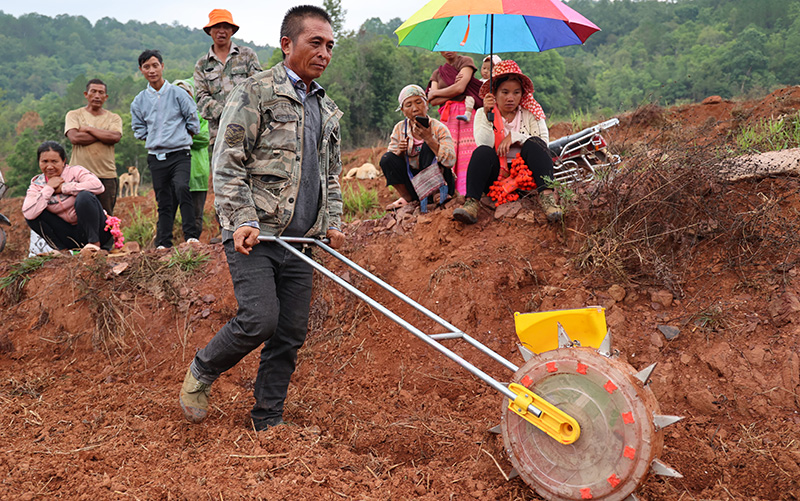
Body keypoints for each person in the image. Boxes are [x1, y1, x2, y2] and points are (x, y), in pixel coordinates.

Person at [179, 5, 345, 431]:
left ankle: (267, 419)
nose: (325, 53)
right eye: (316, 43)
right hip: (254, 233)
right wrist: (242, 219)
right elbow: (228, 161)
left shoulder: (327, 110)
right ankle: (202, 369)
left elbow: (330, 175)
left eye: (329, 45)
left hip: (302, 240)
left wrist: (334, 223)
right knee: (260, 319)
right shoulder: (255, 92)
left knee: (289, 333)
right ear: (287, 44)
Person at [453, 60, 562, 224]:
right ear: (494, 93)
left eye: (516, 93)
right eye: (505, 92)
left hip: (526, 173)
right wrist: (490, 116)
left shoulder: (530, 113)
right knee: (482, 152)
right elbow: (484, 142)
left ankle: (547, 200)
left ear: (522, 94)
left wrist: (515, 137)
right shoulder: (483, 114)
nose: (511, 98)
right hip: (497, 175)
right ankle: (472, 203)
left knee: (535, 144)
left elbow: (543, 144)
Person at [131, 49, 201, 249]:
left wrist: (184, 136)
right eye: (146, 67)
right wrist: (154, 138)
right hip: (156, 156)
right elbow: (138, 127)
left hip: (180, 154)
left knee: (182, 188)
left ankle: (191, 237)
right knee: (163, 199)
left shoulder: (177, 93)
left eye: (155, 65)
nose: (151, 70)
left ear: (162, 66)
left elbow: (192, 118)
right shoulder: (139, 100)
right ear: (141, 70)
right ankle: (163, 242)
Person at [22, 141, 112, 251]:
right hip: (68, 236)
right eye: (44, 161)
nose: (49, 166)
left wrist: (64, 188)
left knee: (84, 196)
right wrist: (49, 188)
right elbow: (28, 213)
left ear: (63, 161)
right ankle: (61, 250)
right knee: (33, 212)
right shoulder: (37, 184)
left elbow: (98, 186)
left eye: (54, 161)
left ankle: (94, 244)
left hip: (96, 231)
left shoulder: (75, 171)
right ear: (39, 162)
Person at [379, 84, 455, 210]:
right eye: (408, 105)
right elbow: (391, 159)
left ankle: (436, 193)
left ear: (426, 105)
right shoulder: (399, 129)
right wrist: (400, 152)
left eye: (419, 102)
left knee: (427, 146)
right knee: (387, 158)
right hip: (415, 185)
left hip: (442, 184)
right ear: (403, 111)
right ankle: (408, 198)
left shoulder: (439, 128)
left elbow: (450, 161)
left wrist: (430, 139)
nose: (415, 108)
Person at [194, 9, 262, 148]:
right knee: (223, 170)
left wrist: (242, 111)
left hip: (249, 129)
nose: (221, 31)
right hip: (219, 133)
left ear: (232, 31)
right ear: (210, 31)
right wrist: (225, 113)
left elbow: (258, 87)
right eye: (217, 27)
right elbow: (201, 97)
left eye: (226, 27)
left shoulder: (247, 55)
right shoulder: (202, 65)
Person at [427, 52, 483, 194]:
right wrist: (454, 91)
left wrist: (438, 92)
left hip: (467, 114)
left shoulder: (465, 62)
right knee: (449, 152)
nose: (448, 51)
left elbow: (460, 88)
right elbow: (432, 101)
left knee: (468, 152)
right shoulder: (437, 73)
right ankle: (451, 191)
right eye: (444, 47)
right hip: (448, 117)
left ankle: (470, 191)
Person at [64, 79, 123, 215]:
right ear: (86, 94)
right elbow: (75, 138)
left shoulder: (114, 118)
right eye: (93, 91)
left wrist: (88, 129)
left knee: (106, 217)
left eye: (101, 92)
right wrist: (103, 134)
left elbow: (115, 138)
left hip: (106, 176)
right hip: (78, 177)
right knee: (77, 215)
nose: (97, 95)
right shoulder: (74, 115)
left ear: (106, 97)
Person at [174, 78, 210, 238]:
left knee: (196, 216)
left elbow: (205, 137)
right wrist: (187, 134)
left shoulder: (201, 115)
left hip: (196, 173)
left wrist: (177, 136)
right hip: (172, 173)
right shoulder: (167, 116)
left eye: (186, 93)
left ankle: (193, 249)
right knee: (168, 212)